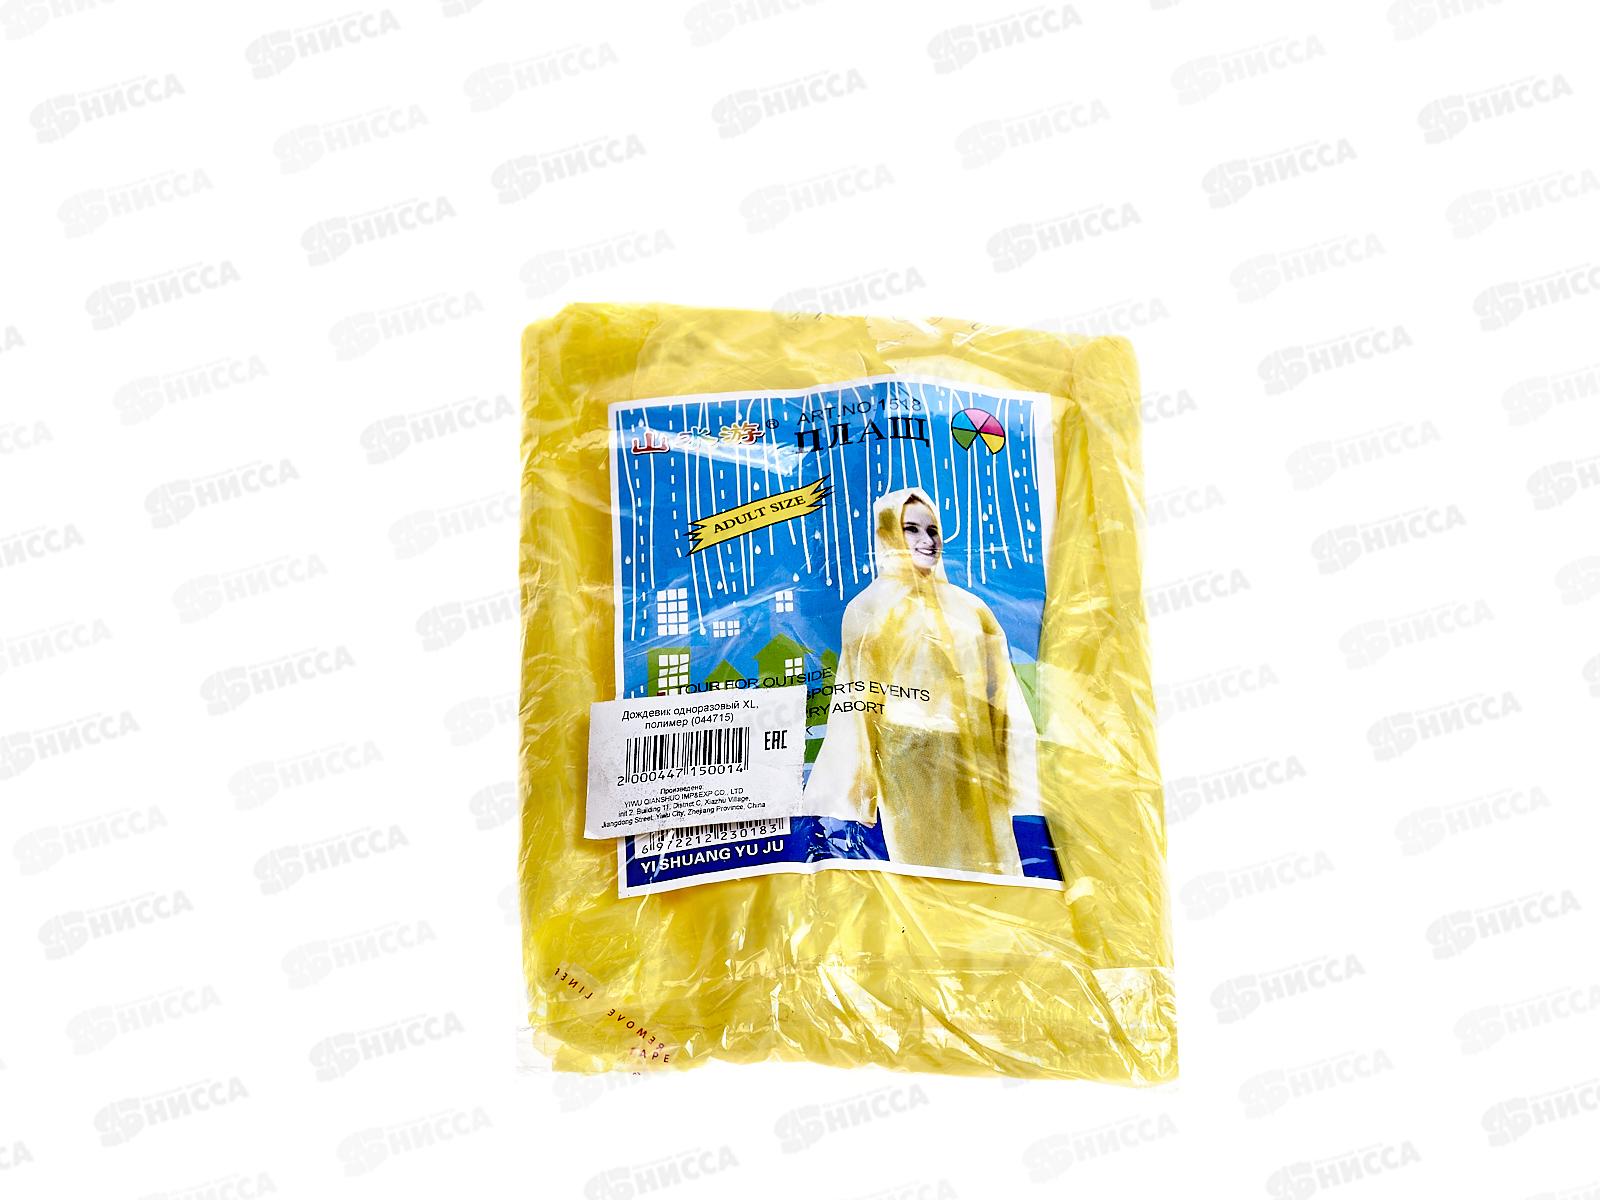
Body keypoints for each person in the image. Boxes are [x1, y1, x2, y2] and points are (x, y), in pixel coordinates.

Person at [804, 487, 1042, 875]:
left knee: (992, 862)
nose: (926, 541)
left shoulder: (971, 609)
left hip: (976, 755)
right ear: (888, 533)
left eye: (932, 530)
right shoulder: (868, 609)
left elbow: (1002, 695)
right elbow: (857, 699)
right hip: (909, 762)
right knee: (927, 870)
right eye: (911, 529)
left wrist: (1015, 771)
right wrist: (857, 787)